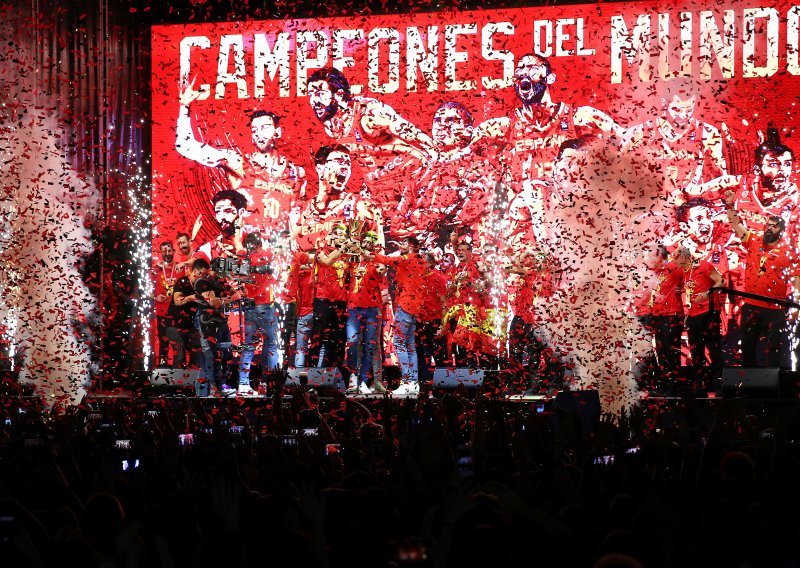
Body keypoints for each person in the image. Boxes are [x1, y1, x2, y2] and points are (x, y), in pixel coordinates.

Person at [472, 53, 625, 244]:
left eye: (531, 68)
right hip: (523, 212)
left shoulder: (578, 117)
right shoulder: (501, 127)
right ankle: (548, 250)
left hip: (568, 207)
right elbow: (463, 155)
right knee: (535, 191)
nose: (523, 74)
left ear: (549, 77)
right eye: (519, 70)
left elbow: (626, 141)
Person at [177, 80, 305, 240]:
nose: (258, 133)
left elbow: (296, 219)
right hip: (246, 253)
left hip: (278, 256)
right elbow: (185, 145)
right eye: (254, 130)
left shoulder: (295, 173)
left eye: (264, 127)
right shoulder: (239, 163)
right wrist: (184, 107)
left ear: (277, 132)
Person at [306, 67, 435, 213]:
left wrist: (437, 168)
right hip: (384, 192)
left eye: (320, 93)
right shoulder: (331, 127)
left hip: (412, 181)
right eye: (311, 94)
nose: (314, 100)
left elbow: (418, 136)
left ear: (340, 95)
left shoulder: (369, 112)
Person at [395, 101, 500, 248]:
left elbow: (470, 211)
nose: (442, 125)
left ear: (467, 130)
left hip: (465, 251)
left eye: (451, 120)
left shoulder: (479, 167)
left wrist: (423, 218)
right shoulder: (420, 171)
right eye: (438, 120)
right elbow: (397, 221)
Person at [622, 78, 727, 207]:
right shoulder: (641, 132)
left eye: (689, 110)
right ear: (664, 103)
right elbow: (617, 171)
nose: (683, 116)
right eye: (677, 110)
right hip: (650, 207)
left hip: (689, 208)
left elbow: (720, 178)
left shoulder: (708, 133)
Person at [725, 190, 800, 367]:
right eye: (768, 224)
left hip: (775, 308)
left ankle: (776, 391)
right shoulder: (754, 240)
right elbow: (737, 226)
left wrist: (797, 304)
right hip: (751, 306)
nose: (768, 228)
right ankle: (748, 388)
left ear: (781, 231)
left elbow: (797, 280)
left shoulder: (788, 251)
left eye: (773, 226)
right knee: (748, 348)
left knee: (774, 351)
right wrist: (729, 205)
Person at [366, 236, 430, 396]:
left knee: (399, 342)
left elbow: (387, 260)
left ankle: (408, 381)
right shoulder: (420, 261)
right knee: (409, 344)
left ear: (412, 246)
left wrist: (371, 254)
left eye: (404, 243)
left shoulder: (407, 259)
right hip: (414, 307)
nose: (401, 245)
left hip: (406, 305)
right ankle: (413, 382)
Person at [291, 145, 384, 252]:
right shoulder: (300, 211)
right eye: (339, 161)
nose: (345, 167)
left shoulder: (361, 206)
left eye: (348, 164)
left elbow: (379, 256)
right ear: (320, 167)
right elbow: (295, 257)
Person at [343, 231, 389, 395]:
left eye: (372, 242)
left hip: (371, 309)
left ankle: (364, 380)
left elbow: (382, 270)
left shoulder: (377, 262)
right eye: (366, 241)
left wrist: (363, 251)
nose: (368, 244)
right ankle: (353, 378)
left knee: (370, 347)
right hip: (354, 309)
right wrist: (348, 246)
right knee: (353, 344)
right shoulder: (352, 263)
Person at [678, 246, 724, 393]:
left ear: (683, 258)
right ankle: (700, 387)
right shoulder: (685, 273)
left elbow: (721, 281)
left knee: (714, 351)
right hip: (693, 316)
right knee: (696, 354)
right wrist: (687, 315)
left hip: (708, 313)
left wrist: (707, 293)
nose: (674, 261)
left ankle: (720, 387)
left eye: (676, 258)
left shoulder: (703, 265)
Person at [237, 232, 277, 396]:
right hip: (265, 307)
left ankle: (243, 383)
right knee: (272, 345)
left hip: (250, 308)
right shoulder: (266, 255)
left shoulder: (243, 259)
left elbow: (239, 247)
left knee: (249, 346)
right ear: (259, 244)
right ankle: (270, 382)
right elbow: (281, 248)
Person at [646, 247, 690, 395]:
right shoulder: (660, 273)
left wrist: (684, 288)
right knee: (662, 352)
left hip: (671, 315)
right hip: (659, 316)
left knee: (671, 352)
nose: (650, 260)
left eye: (653, 257)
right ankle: (666, 385)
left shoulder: (674, 268)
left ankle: (675, 386)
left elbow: (690, 271)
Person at [192, 259, 235, 397]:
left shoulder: (222, 284)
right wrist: (229, 299)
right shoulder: (202, 282)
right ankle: (211, 387)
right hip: (207, 323)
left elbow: (238, 296)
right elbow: (213, 302)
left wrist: (232, 296)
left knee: (225, 353)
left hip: (221, 321)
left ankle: (220, 384)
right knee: (210, 354)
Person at [168, 259, 207, 372]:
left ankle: (193, 383)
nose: (204, 277)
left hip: (189, 325)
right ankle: (177, 386)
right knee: (179, 355)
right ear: (196, 271)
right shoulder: (182, 282)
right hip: (174, 324)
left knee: (196, 352)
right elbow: (177, 300)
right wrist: (190, 297)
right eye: (203, 274)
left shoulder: (200, 286)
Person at [197, 189, 256, 260]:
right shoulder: (211, 246)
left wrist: (237, 242)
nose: (222, 217)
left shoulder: (253, 239)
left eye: (227, 211)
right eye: (218, 212)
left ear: (241, 212)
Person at [153, 240, 177, 367]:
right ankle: (163, 366)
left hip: (177, 312)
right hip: (162, 311)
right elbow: (147, 290)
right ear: (161, 253)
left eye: (169, 250)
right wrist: (156, 297)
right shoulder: (155, 269)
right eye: (164, 251)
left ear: (173, 251)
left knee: (177, 341)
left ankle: (179, 366)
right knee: (163, 341)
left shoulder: (179, 268)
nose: (167, 254)